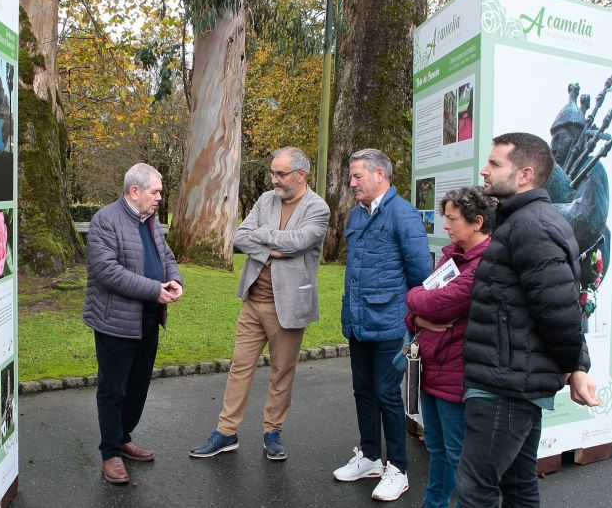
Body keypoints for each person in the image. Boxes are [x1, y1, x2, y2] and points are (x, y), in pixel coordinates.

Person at [456, 132, 601, 506]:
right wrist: (575, 366)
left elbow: (560, 310)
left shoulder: (531, 227)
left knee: (476, 491)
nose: (484, 171)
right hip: (512, 380)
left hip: (506, 387)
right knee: (518, 486)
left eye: (495, 164)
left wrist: (576, 366)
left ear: (524, 175)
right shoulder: (523, 221)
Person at [189, 147, 330, 461]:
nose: (274, 180)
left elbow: (300, 242)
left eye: (281, 174)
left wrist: (265, 236)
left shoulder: (317, 208)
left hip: (289, 305)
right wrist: (270, 248)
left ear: (301, 175)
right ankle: (226, 432)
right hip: (254, 300)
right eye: (273, 173)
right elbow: (240, 236)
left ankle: (272, 432)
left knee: (282, 372)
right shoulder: (266, 200)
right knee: (239, 367)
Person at [333, 148, 433, 502]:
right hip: (358, 322)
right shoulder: (356, 216)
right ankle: (371, 457)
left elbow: (421, 276)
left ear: (380, 175)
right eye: (352, 176)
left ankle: (399, 469)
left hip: (391, 325)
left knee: (387, 394)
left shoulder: (404, 215)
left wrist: (415, 323)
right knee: (362, 390)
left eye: (358, 176)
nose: (352, 182)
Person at [82, 163, 183, 484]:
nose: (159, 198)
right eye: (155, 192)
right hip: (115, 322)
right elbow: (107, 272)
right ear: (135, 191)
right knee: (113, 389)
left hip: (148, 320)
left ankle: (123, 438)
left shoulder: (150, 221)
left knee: (137, 386)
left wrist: (175, 280)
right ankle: (110, 452)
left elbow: (165, 255)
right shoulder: (105, 221)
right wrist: (155, 290)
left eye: (160, 192)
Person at [404, 186, 495, 508]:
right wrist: (419, 316)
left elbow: (433, 302)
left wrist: (418, 306)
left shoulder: (485, 264)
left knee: (458, 454)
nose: (445, 226)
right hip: (433, 369)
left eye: (452, 219)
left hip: (458, 374)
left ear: (477, 222)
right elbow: (418, 310)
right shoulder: (451, 256)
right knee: (437, 449)